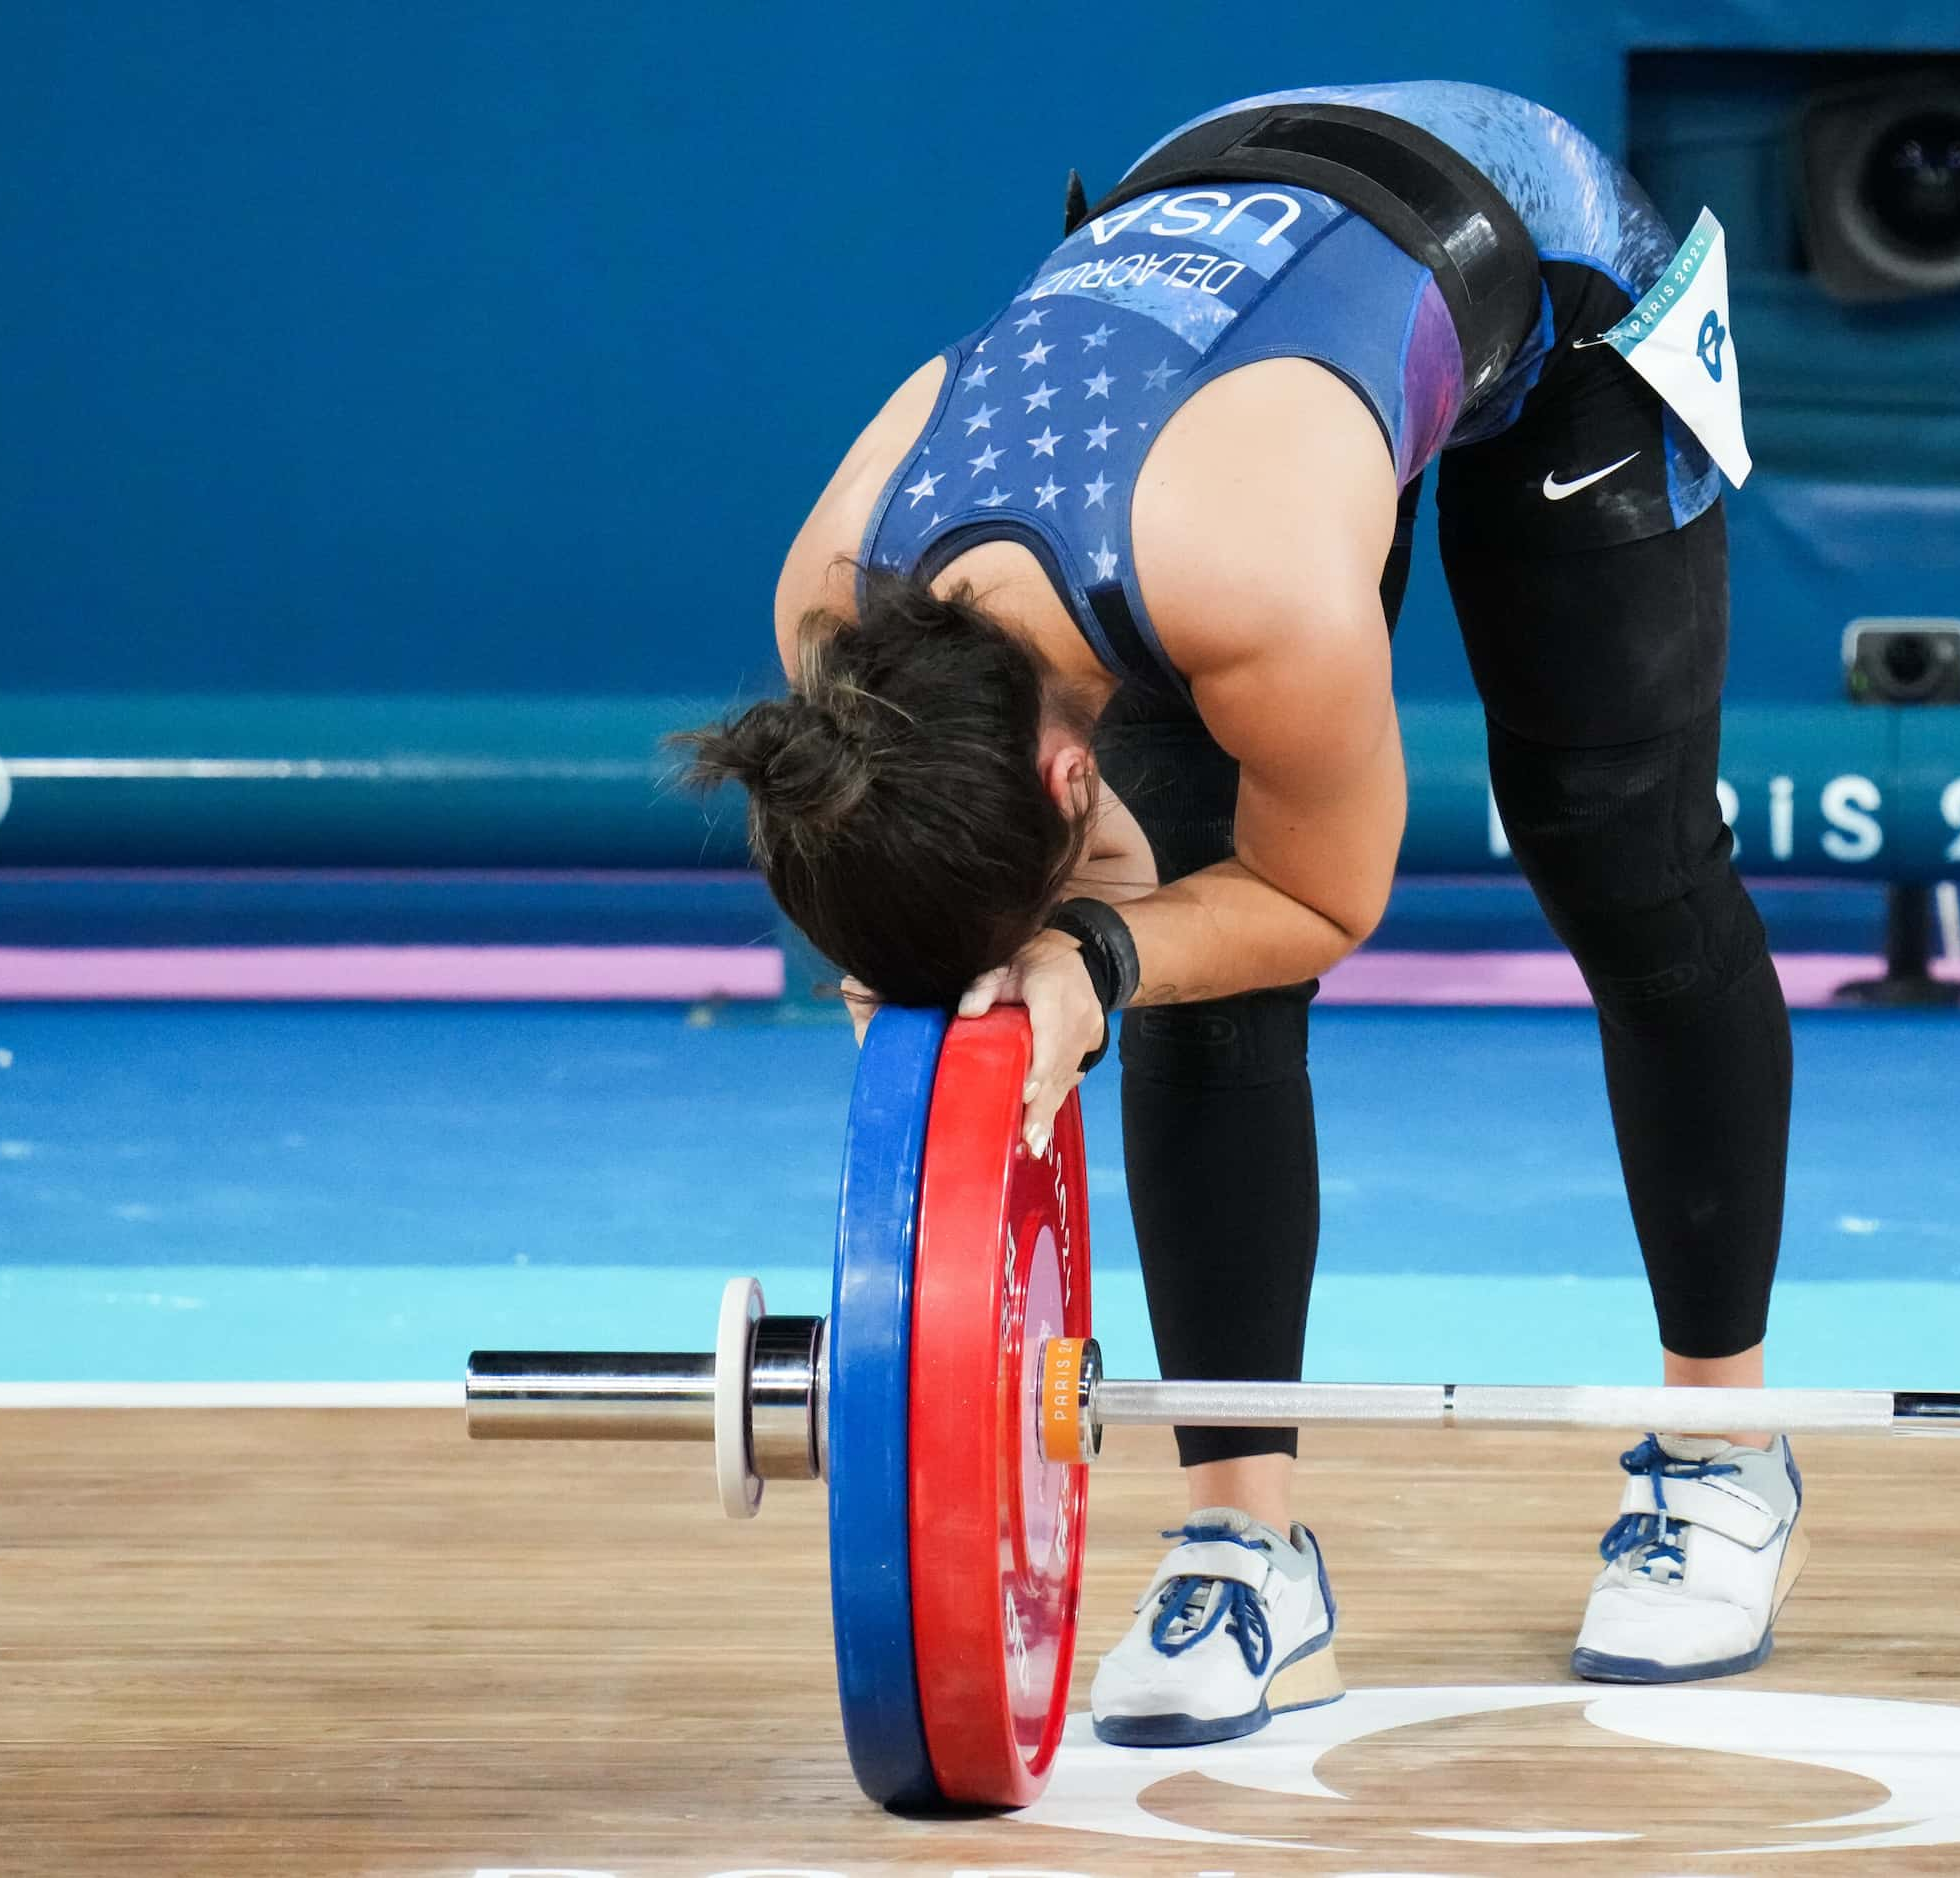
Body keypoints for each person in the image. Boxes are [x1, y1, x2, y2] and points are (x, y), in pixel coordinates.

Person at [677, 81, 1802, 1748]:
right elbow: (883, 908)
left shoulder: (1250, 584)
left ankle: (1724, 1456)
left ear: (1067, 790)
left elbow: (1318, 896)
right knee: (1199, 973)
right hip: (1218, 224)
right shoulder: (829, 601)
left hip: (1548, 278)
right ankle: (1242, 1543)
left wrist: (1100, 955)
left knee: (1616, 855)